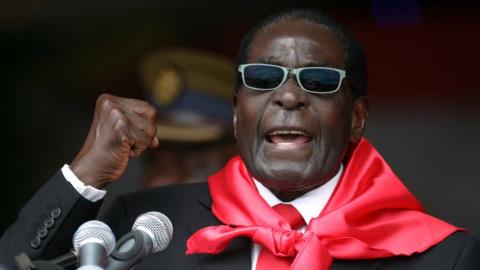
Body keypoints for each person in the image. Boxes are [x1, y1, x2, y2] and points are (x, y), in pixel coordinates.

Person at [1, 8, 479, 270]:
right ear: (236, 113)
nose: (288, 97)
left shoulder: (442, 256)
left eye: (317, 80)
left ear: (356, 118)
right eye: (264, 77)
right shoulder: (146, 225)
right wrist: (85, 173)